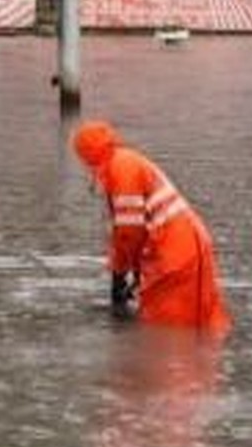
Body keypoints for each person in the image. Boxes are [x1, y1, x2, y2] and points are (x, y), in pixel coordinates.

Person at [71, 120, 231, 334]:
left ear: (87, 153)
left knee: (172, 329)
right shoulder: (122, 162)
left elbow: (129, 231)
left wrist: (119, 274)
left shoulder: (122, 167)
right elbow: (129, 229)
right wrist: (130, 272)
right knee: (185, 326)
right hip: (181, 246)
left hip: (178, 252)